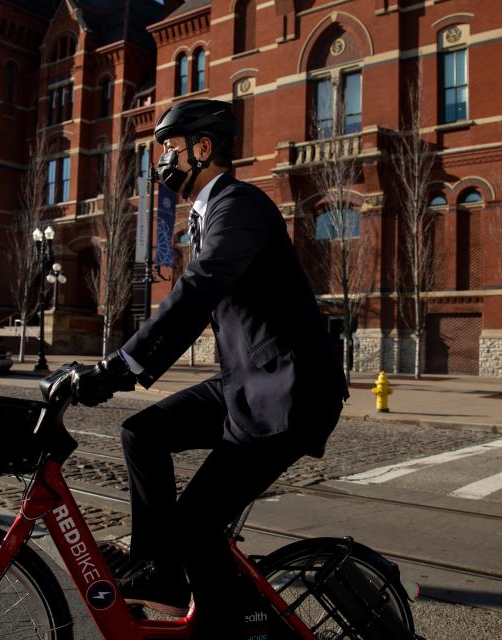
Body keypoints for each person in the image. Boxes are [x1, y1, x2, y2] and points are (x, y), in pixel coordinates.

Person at [72, 99, 347, 636]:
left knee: (196, 524)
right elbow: (199, 305)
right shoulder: (207, 216)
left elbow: (197, 293)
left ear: (202, 149)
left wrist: (120, 367)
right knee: (141, 433)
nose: (162, 163)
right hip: (246, 385)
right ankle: (162, 572)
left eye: (169, 150)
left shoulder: (240, 205)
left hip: (289, 395)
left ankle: (249, 626)